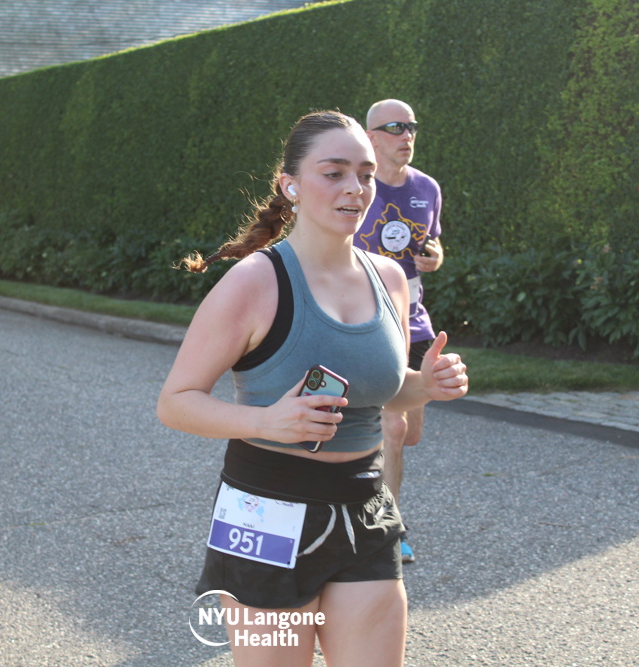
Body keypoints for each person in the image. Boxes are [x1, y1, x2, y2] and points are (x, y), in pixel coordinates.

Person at [157, 110, 468, 666]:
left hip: (365, 507)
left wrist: (426, 386)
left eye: (365, 174)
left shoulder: (390, 279)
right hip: (265, 514)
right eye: (334, 172)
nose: (355, 188)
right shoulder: (254, 281)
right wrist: (264, 421)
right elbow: (175, 402)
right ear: (291, 185)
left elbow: (384, 393)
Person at [353, 100, 444, 565]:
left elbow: (432, 242)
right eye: (395, 127)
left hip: (414, 321)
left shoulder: (427, 188)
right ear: (371, 137)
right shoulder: (356, 188)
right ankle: (388, 529)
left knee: (410, 435)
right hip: (369, 319)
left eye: (411, 126)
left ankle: (358, 463)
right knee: (394, 425)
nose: (406, 135)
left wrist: (436, 257)